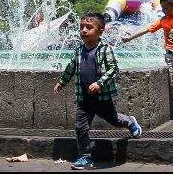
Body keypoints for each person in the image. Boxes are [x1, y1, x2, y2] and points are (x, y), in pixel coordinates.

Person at [54, 12, 142, 171]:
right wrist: (62, 81)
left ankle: (130, 121)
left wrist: (100, 83)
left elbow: (114, 69)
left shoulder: (105, 49)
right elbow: (71, 67)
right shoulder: (79, 49)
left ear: (100, 31)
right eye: (81, 27)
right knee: (80, 127)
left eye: (89, 27)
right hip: (84, 98)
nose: (84, 30)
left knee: (114, 120)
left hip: (102, 97)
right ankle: (85, 157)